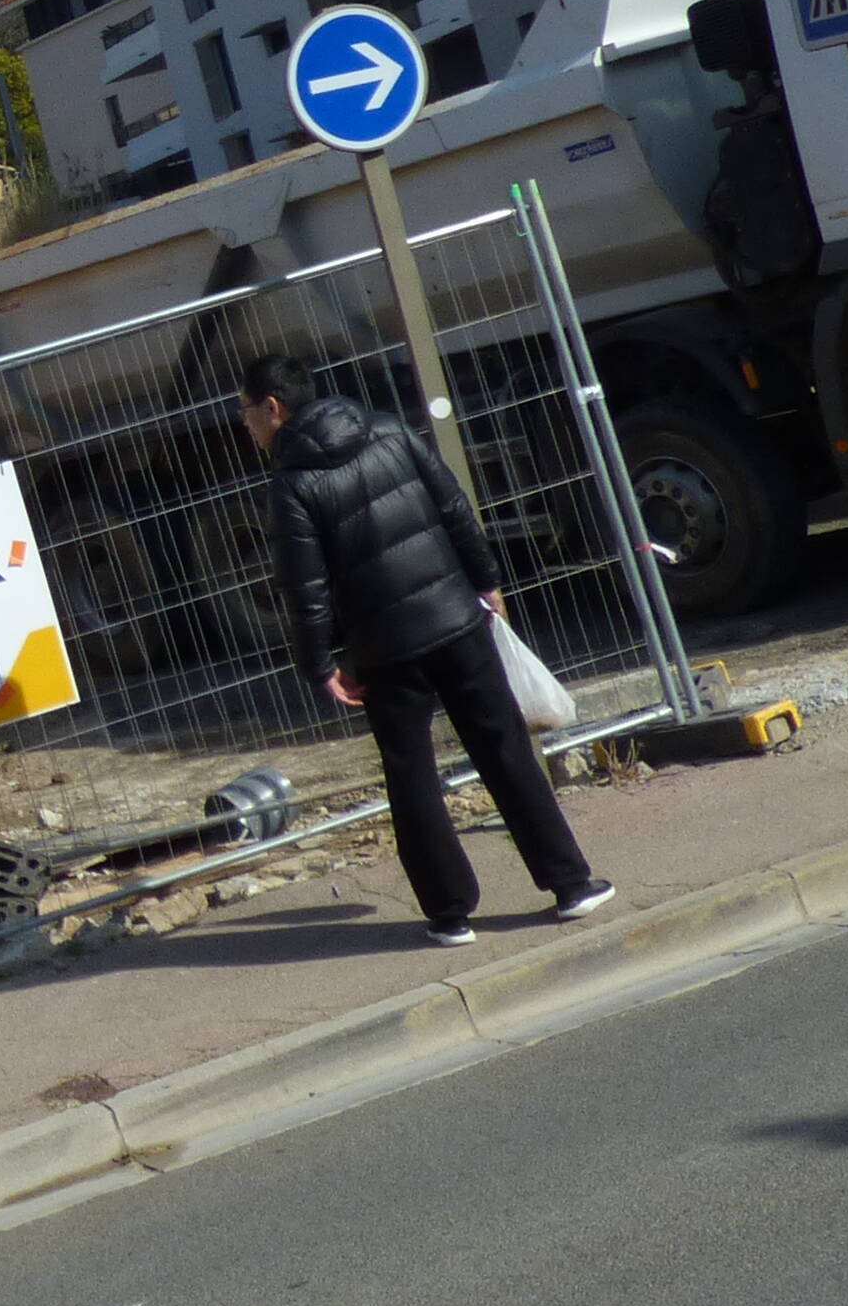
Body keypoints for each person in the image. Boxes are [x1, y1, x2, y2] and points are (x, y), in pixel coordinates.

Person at [241, 356, 615, 946]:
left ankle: (449, 914)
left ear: (273, 407)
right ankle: (571, 885)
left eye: (247, 412)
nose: (247, 425)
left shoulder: (292, 483)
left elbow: (303, 587)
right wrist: (486, 579)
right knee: (504, 748)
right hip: (455, 618)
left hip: (384, 647)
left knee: (411, 774)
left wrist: (319, 664)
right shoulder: (389, 430)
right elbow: (453, 507)